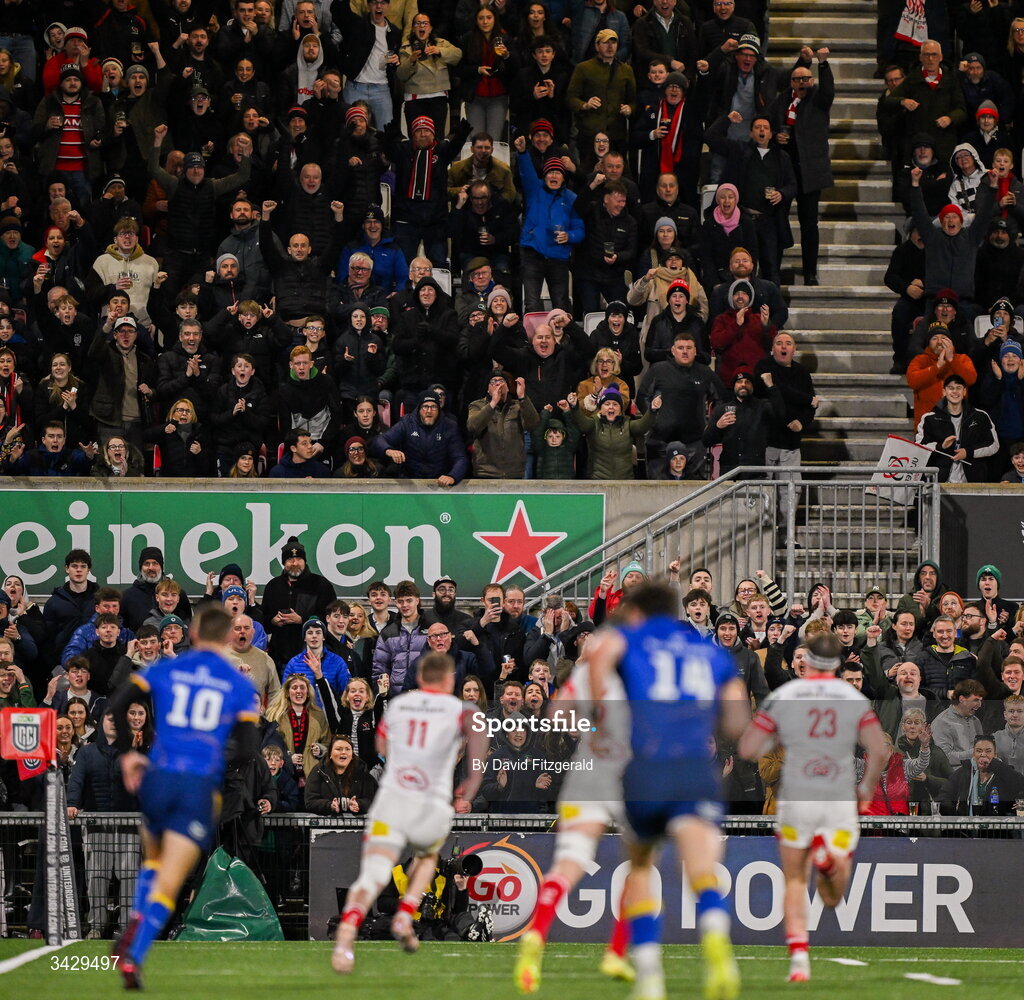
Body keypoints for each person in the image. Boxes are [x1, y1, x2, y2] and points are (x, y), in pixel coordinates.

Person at [581, 581, 747, 1000]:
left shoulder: (630, 636)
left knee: (639, 866)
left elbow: (596, 658)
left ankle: (650, 975)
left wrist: (602, 716)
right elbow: (736, 719)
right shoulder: (708, 650)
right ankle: (715, 937)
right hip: (695, 767)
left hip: (647, 767)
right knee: (702, 869)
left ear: (636, 609)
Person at [108, 605, 259, 988]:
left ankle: (134, 926)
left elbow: (118, 703)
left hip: (158, 777)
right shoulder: (239, 683)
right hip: (196, 785)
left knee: (153, 863)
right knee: (172, 879)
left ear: (191, 634)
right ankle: (135, 951)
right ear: (228, 637)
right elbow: (246, 749)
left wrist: (128, 753)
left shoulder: (167, 668)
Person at [738, 632, 888, 982]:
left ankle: (799, 960)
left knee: (793, 879)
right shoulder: (851, 697)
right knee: (833, 896)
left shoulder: (784, 696)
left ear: (804, 661)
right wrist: (866, 788)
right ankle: (825, 858)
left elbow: (747, 747)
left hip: (797, 797)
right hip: (836, 798)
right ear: (838, 664)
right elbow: (880, 750)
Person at [332, 651, 488, 973]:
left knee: (374, 872)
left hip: (393, 798)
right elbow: (477, 760)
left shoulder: (399, 706)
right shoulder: (461, 709)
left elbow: (381, 749)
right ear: (449, 680)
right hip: (430, 800)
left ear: (419, 678)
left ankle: (346, 934)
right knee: (429, 858)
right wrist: (465, 792)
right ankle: (405, 914)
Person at [513, 626, 633, 991]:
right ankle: (617, 950)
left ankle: (537, 933)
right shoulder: (633, 687)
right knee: (640, 866)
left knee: (568, 865)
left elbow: (555, 717)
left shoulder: (583, 679)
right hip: (622, 780)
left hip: (584, 781)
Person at [766, 46, 833, 286]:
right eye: (797, 79)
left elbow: (829, 91)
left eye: (805, 78)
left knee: (809, 224)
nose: (801, 82)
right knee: (778, 220)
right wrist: (775, 136)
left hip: (810, 172)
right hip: (785, 171)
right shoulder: (782, 100)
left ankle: (810, 272)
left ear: (812, 80)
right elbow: (768, 121)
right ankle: (773, 270)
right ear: (791, 82)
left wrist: (823, 64)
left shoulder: (818, 98)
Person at [916, 374, 998, 482]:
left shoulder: (980, 416)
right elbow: (918, 448)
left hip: (972, 482)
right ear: (944, 392)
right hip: (939, 482)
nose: (955, 391)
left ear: (964, 391)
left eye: (958, 388)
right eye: (950, 388)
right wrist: (941, 447)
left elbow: (993, 445)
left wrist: (968, 452)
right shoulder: (929, 418)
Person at [304, 733, 378, 815]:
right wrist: (329, 806)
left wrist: (359, 804)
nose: (343, 752)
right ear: (330, 754)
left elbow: (373, 799)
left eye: (347, 749)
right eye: (338, 749)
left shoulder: (362, 771)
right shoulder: (318, 771)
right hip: (326, 825)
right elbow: (310, 801)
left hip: (356, 826)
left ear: (352, 754)